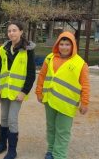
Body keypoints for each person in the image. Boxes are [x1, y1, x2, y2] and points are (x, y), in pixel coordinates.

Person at [35, 31, 90, 159]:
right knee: (51, 128)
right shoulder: (50, 58)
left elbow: (85, 85)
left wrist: (85, 102)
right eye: (62, 44)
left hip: (67, 104)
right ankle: (51, 150)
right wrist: (39, 91)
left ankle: (59, 155)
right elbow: (42, 76)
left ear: (73, 46)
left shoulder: (80, 64)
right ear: (57, 45)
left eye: (67, 44)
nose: (64, 47)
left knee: (63, 131)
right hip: (50, 100)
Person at [0, 21, 36, 159]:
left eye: (14, 30)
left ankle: (12, 150)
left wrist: (24, 92)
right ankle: (2, 144)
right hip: (4, 90)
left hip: (18, 92)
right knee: (4, 118)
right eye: (9, 31)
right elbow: (0, 69)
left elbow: (31, 74)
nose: (11, 33)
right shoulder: (4, 49)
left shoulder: (28, 50)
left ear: (21, 32)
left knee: (12, 119)